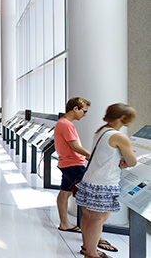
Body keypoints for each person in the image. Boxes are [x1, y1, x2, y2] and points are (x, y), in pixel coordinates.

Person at [53, 97, 117, 253]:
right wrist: (92, 155)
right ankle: (95, 239)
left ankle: (64, 223)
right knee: (93, 202)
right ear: (75, 109)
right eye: (84, 111)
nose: (85, 114)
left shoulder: (62, 123)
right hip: (73, 165)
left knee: (65, 192)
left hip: (66, 164)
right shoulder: (66, 124)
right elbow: (74, 146)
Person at [76, 103, 137, 258]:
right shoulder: (119, 136)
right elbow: (132, 162)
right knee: (97, 219)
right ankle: (91, 253)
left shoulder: (101, 131)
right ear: (123, 118)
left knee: (88, 216)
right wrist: (124, 161)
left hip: (90, 179)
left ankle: (87, 247)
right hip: (104, 183)